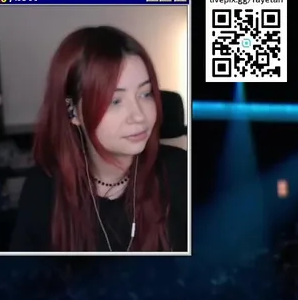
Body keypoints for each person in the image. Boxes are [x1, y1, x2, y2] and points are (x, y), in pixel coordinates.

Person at [11, 26, 186, 253]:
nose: (139, 116)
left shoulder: (179, 171)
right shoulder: (44, 189)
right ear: (73, 112)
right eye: (115, 101)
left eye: (145, 94)